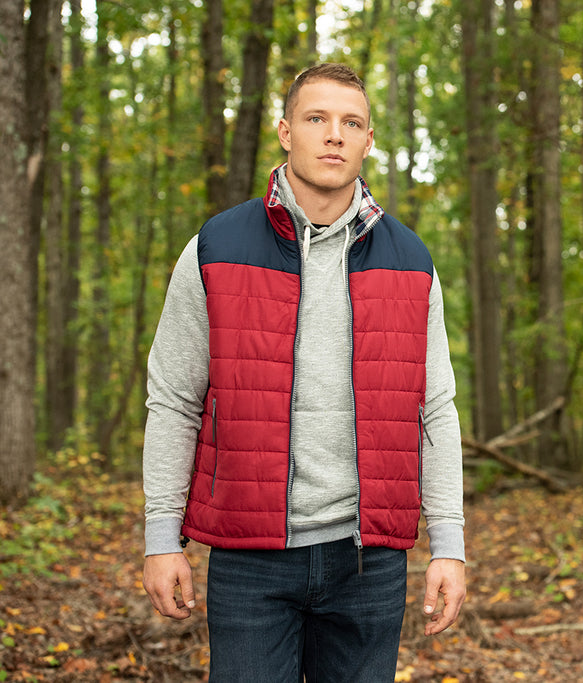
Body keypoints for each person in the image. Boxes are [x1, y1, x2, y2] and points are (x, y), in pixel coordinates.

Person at [141, 63, 466, 682]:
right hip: (250, 558)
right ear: (287, 132)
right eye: (318, 119)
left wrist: (447, 544)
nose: (334, 135)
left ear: (369, 141)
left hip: (368, 563)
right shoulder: (215, 246)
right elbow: (175, 398)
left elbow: (436, 409)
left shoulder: (411, 261)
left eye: (352, 123)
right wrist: (162, 536)